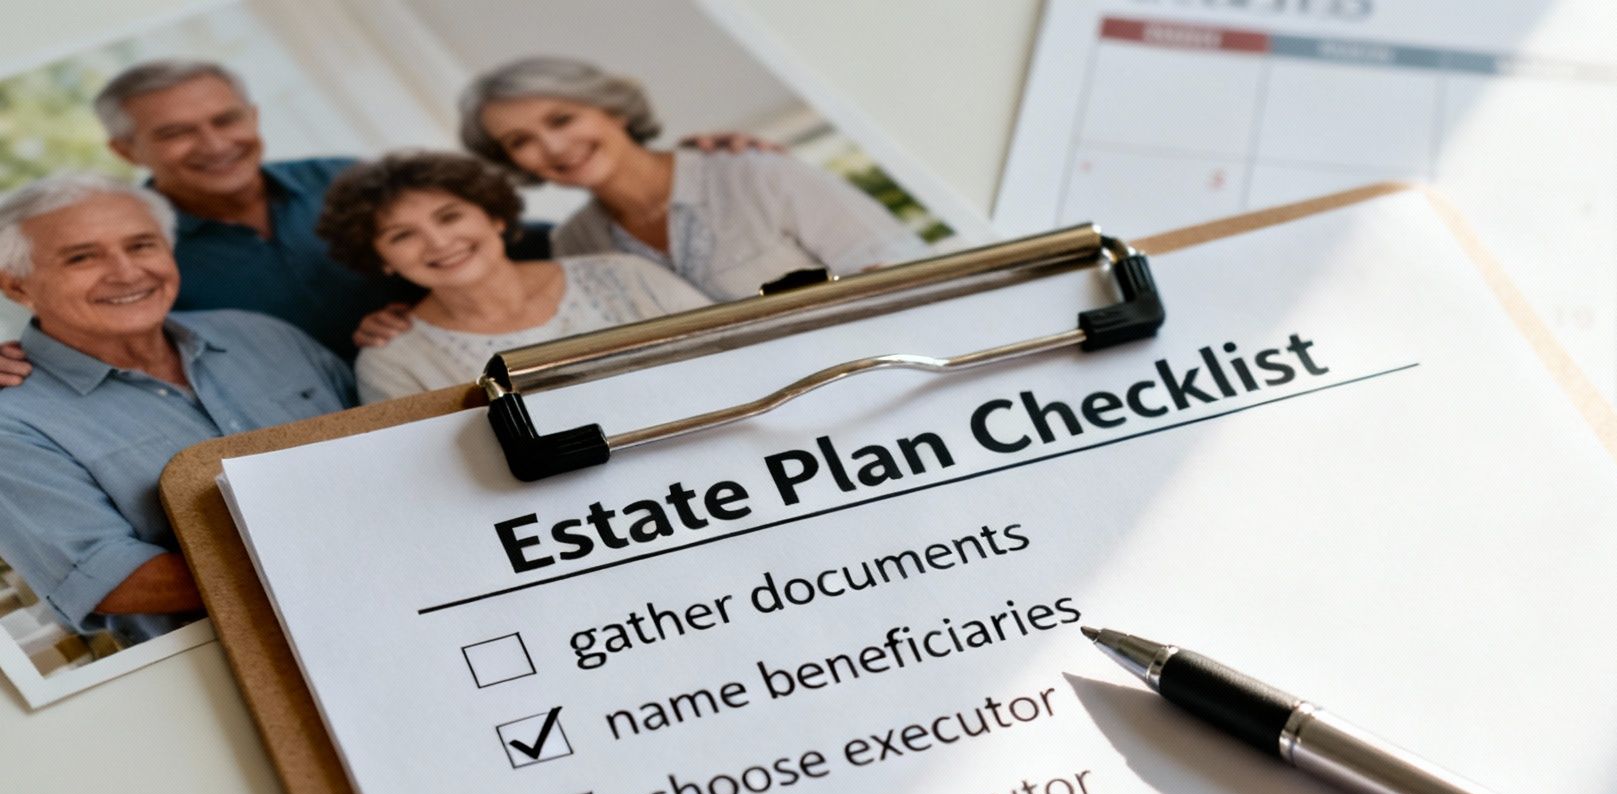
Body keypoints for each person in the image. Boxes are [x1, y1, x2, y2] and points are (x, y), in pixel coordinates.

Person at [0, 173, 354, 644]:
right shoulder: (13, 422)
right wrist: (333, 565)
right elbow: (115, 582)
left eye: (142, 245)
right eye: (81, 257)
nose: (126, 272)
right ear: (18, 287)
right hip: (252, 660)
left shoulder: (263, 336)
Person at [458, 57, 929, 301]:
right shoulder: (574, 247)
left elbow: (902, 270)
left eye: (562, 119)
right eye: (521, 140)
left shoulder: (755, 173)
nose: (553, 148)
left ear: (613, 109)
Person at [316, 151, 710, 403]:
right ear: (380, 259)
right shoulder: (391, 363)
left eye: (449, 216)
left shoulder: (625, 276)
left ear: (495, 216)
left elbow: (735, 358)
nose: (438, 242)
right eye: (402, 235)